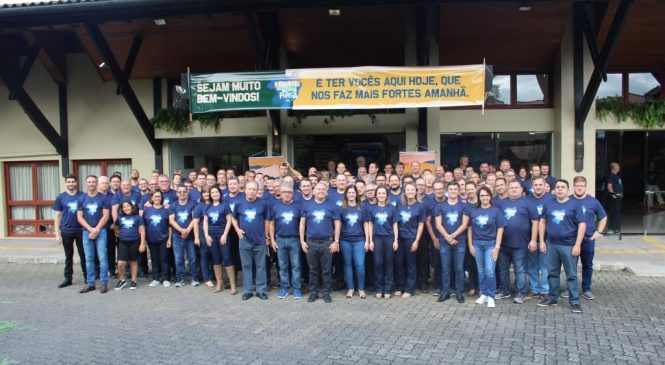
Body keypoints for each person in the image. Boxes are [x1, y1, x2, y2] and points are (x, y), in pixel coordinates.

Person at [537, 179, 586, 313]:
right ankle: (552, 298)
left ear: (567, 190)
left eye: (562, 187)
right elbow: (542, 222)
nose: (559, 189)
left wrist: (577, 245)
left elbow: (582, 224)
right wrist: (542, 240)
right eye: (557, 187)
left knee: (571, 275)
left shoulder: (574, 205)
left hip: (569, 245)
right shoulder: (548, 204)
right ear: (554, 190)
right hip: (551, 244)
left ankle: (574, 301)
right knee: (552, 273)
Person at [493, 180, 538, 304]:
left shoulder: (528, 202)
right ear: (508, 189)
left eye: (516, 187)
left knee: (520, 269)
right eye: (511, 187)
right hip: (503, 243)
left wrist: (534, 240)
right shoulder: (502, 204)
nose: (513, 189)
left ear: (521, 189)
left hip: (521, 243)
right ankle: (504, 291)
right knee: (503, 269)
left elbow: (535, 222)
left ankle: (520, 293)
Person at [300, 182, 341, 303]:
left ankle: (326, 292)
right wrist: (302, 241)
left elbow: (337, 224)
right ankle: (313, 292)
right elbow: (302, 223)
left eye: (323, 189)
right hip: (311, 242)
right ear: (313, 191)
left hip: (327, 243)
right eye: (318, 189)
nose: (321, 191)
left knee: (326, 269)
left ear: (327, 192)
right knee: (313, 269)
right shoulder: (307, 205)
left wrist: (336, 241)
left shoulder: (332, 205)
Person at [467, 186, 506, 308]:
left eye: (486, 195)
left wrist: (497, 247)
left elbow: (500, 228)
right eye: (482, 195)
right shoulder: (474, 210)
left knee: (490, 271)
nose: (484, 197)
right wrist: (470, 245)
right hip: (477, 244)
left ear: (490, 196)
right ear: (479, 197)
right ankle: (483, 293)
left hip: (490, 244)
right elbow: (469, 229)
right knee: (481, 271)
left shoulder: (495, 211)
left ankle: (491, 296)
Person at [232, 181, 270, 300]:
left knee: (261, 266)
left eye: (254, 189)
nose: (251, 191)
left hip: (259, 240)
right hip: (244, 240)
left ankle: (260, 290)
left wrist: (266, 235)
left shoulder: (263, 203)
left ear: (257, 190)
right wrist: (237, 230)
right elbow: (233, 218)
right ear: (245, 190)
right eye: (249, 189)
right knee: (246, 266)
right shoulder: (239, 203)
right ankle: (248, 290)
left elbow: (267, 220)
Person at [572, 176, 607, 300]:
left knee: (587, 265)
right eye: (577, 185)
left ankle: (586, 289)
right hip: (572, 240)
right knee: (571, 266)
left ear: (585, 187)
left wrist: (599, 232)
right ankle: (571, 288)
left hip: (588, 239)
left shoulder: (593, 201)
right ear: (573, 186)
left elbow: (603, 217)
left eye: (582, 186)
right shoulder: (568, 200)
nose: (579, 188)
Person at [434, 182, 468, 303]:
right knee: (446, 268)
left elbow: (465, 224)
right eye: (451, 189)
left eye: (455, 189)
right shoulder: (440, 206)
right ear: (447, 191)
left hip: (460, 241)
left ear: (459, 191)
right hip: (444, 241)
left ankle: (459, 291)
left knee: (459, 268)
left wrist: (453, 236)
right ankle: (446, 291)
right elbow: (438, 224)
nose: (453, 191)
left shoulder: (464, 206)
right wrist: (447, 237)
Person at [76, 175, 111, 294]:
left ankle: (103, 283)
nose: (91, 184)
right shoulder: (81, 198)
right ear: (86, 183)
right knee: (89, 259)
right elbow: (79, 217)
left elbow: (106, 216)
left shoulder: (103, 198)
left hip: (101, 231)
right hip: (86, 232)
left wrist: (96, 229)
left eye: (93, 182)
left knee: (102, 258)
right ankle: (90, 283)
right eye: (89, 182)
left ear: (97, 183)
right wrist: (90, 229)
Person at [269, 182, 302, 300]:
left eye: (289, 192)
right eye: (284, 192)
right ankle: (284, 288)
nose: (286, 194)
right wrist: (272, 240)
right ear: (280, 193)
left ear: (292, 193)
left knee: (296, 266)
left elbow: (303, 224)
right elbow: (271, 224)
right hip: (280, 239)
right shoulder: (275, 206)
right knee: (282, 266)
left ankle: (297, 288)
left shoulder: (298, 206)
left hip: (295, 239)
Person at [393, 183, 426, 299]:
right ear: (404, 191)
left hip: (411, 238)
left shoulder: (420, 206)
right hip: (400, 238)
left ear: (416, 191)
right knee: (399, 263)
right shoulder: (399, 204)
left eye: (412, 189)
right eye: (408, 189)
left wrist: (416, 241)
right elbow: (395, 221)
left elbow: (421, 225)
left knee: (411, 264)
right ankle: (400, 286)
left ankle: (409, 289)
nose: (410, 191)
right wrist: (395, 239)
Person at [53, 174, 86, 288]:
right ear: (66, 183)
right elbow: (57, 216)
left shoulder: (83, 196)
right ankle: (68, 279)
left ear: (76, 183)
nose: (71, 184)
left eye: (73, 181)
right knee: (68, 255)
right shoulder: (61, 197)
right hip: (66, 230)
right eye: (69, 182)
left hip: (81, 230)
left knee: (84, 255)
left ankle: (87, 277)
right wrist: (57, 234)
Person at [525, 176, 554, 300]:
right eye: (535, 185)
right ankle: (534, 289)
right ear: (532, 186)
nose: (538, 187)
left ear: (544, 185)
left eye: (540, 185)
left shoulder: (552, 199)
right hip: (530, 237)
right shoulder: (526, 200)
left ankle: (545, 289)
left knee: (544, 265)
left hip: (547, 237)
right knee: (531, 265)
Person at [367, 186, 399, 299]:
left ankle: (387, 289)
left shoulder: (392, 208)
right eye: (379, 193)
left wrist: (396, 240)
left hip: (389, 238)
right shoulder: (372, 209)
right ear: (376, 195)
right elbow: (370, 225)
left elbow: (395, 224)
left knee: (389, 264)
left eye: (383, 193)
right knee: (378, 263)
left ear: (386, 195)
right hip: (377, 239)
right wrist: (370, 241)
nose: (381, 195)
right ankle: (379, 288)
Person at [338, 185, 369, 299]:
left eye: (353, 192)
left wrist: (367, 240)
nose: (351, 194)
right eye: (349, 192)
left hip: (359, 240)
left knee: (360, 265)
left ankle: (361, 289)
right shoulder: (341, 208)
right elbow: (338, 225)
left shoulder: (362, 207)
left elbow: (366, 224)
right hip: (345, 240)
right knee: (347, 265)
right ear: (346, 194)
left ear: (356, 194)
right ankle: (350, 288)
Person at [203, 186, 236, 294]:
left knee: (227, 258)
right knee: (215, 259)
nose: (214, 194)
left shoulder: (225, 205)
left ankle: (232, 285)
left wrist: (225, 234)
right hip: (212, 237)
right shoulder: (208, 207)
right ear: (210, 195)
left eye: (216, 192)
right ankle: (219, 283)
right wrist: (206, 235)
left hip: (223, 235)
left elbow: (229, 221)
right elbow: (205, 222)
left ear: (220, 193)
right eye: (212, 192)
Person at [169, 186, 199, 287]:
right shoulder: (173, 205)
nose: (182, 193)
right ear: (177, 193)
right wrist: (181, 230)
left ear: (187, 192)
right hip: (177, 235)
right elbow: (171, 220)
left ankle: (194, 278)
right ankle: (180, 279)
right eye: (180, 192)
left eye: (184, 191)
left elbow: (195, 218)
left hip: (190, 235)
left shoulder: (193, 204)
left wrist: (187, 230)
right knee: (178, 258)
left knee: (192, 258)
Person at [141, 190, 172, 287]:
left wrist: (169, 239)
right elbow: (143, 226)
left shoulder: (166, 210)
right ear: (151, 198)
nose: (157, 198)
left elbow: (170, 226)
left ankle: (165, 278)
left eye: (159, 196)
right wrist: (144, 239)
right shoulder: (147, 210)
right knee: (154, 259)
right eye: (155, 197)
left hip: (163, 238)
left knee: (164, 259)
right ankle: (155, 278)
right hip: (151, 239)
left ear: (161, 198)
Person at [114, 202, 146, 290]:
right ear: (122, 209)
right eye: (124, 207)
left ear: (132, 207)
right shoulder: (120, 218)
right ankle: (122, 280)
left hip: (134, 242)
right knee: (120, 263)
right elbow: (115, 227)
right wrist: (117, 233)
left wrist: (142, 243)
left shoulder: (137, 218)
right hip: (123, 242)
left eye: (128, 206)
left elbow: (142, 231)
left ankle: (133, 281)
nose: (126, 208)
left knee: (133, 262)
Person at [606, 162, 623, 234]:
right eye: (618, 166)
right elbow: (609, 186)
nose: (619, 167)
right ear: (614, 168)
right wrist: (613, 195)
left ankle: (616, 228)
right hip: (614, 197)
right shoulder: (611, 175)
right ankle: (612, 228)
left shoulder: (617, 176)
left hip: (618, 197)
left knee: (617, 213)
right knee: (614, 212)